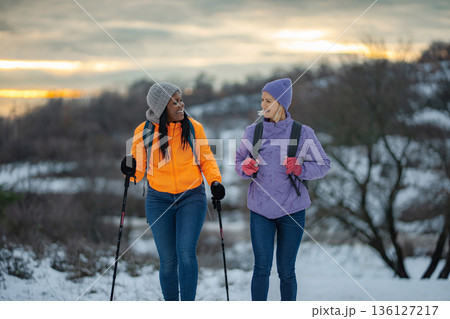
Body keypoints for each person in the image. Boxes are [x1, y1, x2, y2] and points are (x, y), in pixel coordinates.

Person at [122, 82, 225, 301]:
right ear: (161, 108)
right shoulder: (145, 131)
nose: (181, 104)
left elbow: (207, 159)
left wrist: (215, 182)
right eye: (174, 102)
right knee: (168, 260)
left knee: (186, 254)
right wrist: (129, 170)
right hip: (158, 199)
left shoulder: (193, 127)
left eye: (180, 99)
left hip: (192, 197)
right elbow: (138, 171)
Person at [235, 78, 330, 301]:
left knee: (286, 271)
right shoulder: (253, 131)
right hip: (260, 209)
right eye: (262, 100)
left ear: (282, 103)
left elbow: (324, 164)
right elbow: (239, 162)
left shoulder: (302, 132)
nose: (264, 105)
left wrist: (300, 168)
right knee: (261, 268)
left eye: (269, 100)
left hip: (292, 210)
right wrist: (245, 167)